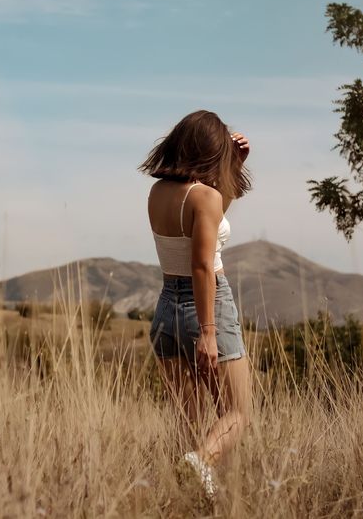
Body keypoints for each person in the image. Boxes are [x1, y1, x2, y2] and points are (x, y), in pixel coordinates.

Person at [137, 109, 253, 499]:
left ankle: (179, 497)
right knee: (237, 414)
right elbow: (203, 263)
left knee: (185, 423)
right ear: (207, 151)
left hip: (166, 309)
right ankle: (200, 465)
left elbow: (211, 221)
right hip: (208, 306)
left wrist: (233, 168)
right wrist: (208, 332)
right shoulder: (204, 196)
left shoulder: (159, 193)